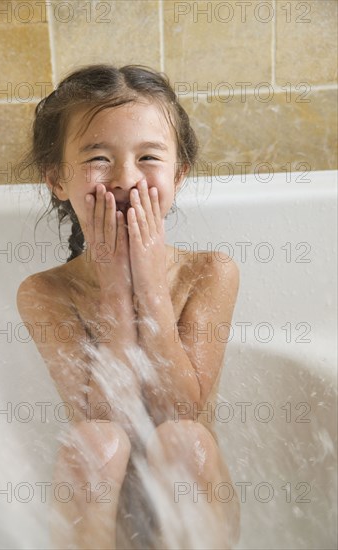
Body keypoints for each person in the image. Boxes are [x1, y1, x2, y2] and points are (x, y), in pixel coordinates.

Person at [17, 64, 240, 550]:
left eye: (149, 157)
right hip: (104, 523)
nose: (125, 178)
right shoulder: (45, 293)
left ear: (178, 175)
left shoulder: (209, 273)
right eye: (99, 157)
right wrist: (117, 290)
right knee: (94, 444)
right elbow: (102, 413)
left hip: (195, 509)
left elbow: (178, 407)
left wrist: (151, 289)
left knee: (184, 439)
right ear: (56, 178)